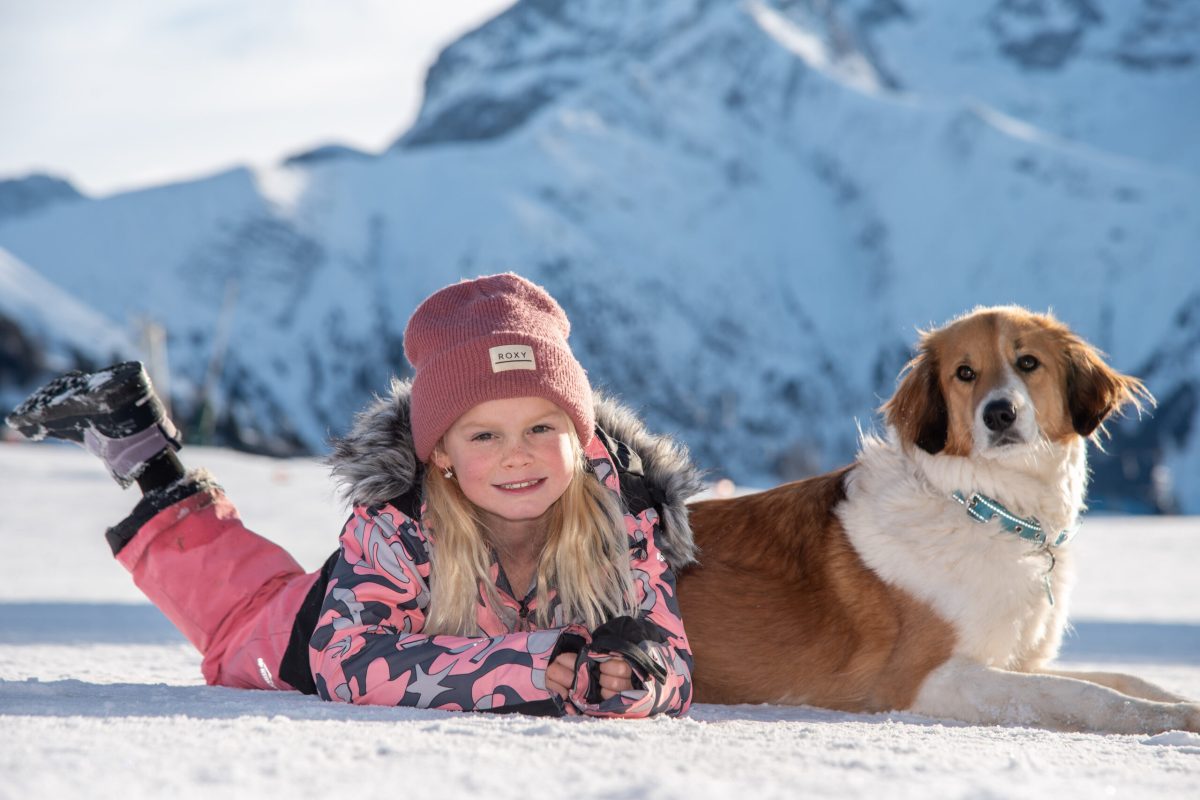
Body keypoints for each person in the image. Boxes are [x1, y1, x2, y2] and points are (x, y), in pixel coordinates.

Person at [6, 273, 700, 717]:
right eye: (483, 436)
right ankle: (141, 449)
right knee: (234, 618)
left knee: (254, 582)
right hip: (305, 637)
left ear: (580, 439)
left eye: (543, 427)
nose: (518, 454)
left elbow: (671, 663)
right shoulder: (397, 524)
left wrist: (629, 678)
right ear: (443, 458)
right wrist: (534, 665)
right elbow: (350, 665)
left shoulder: (624, 517)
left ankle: (135, 436)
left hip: (350, 604)